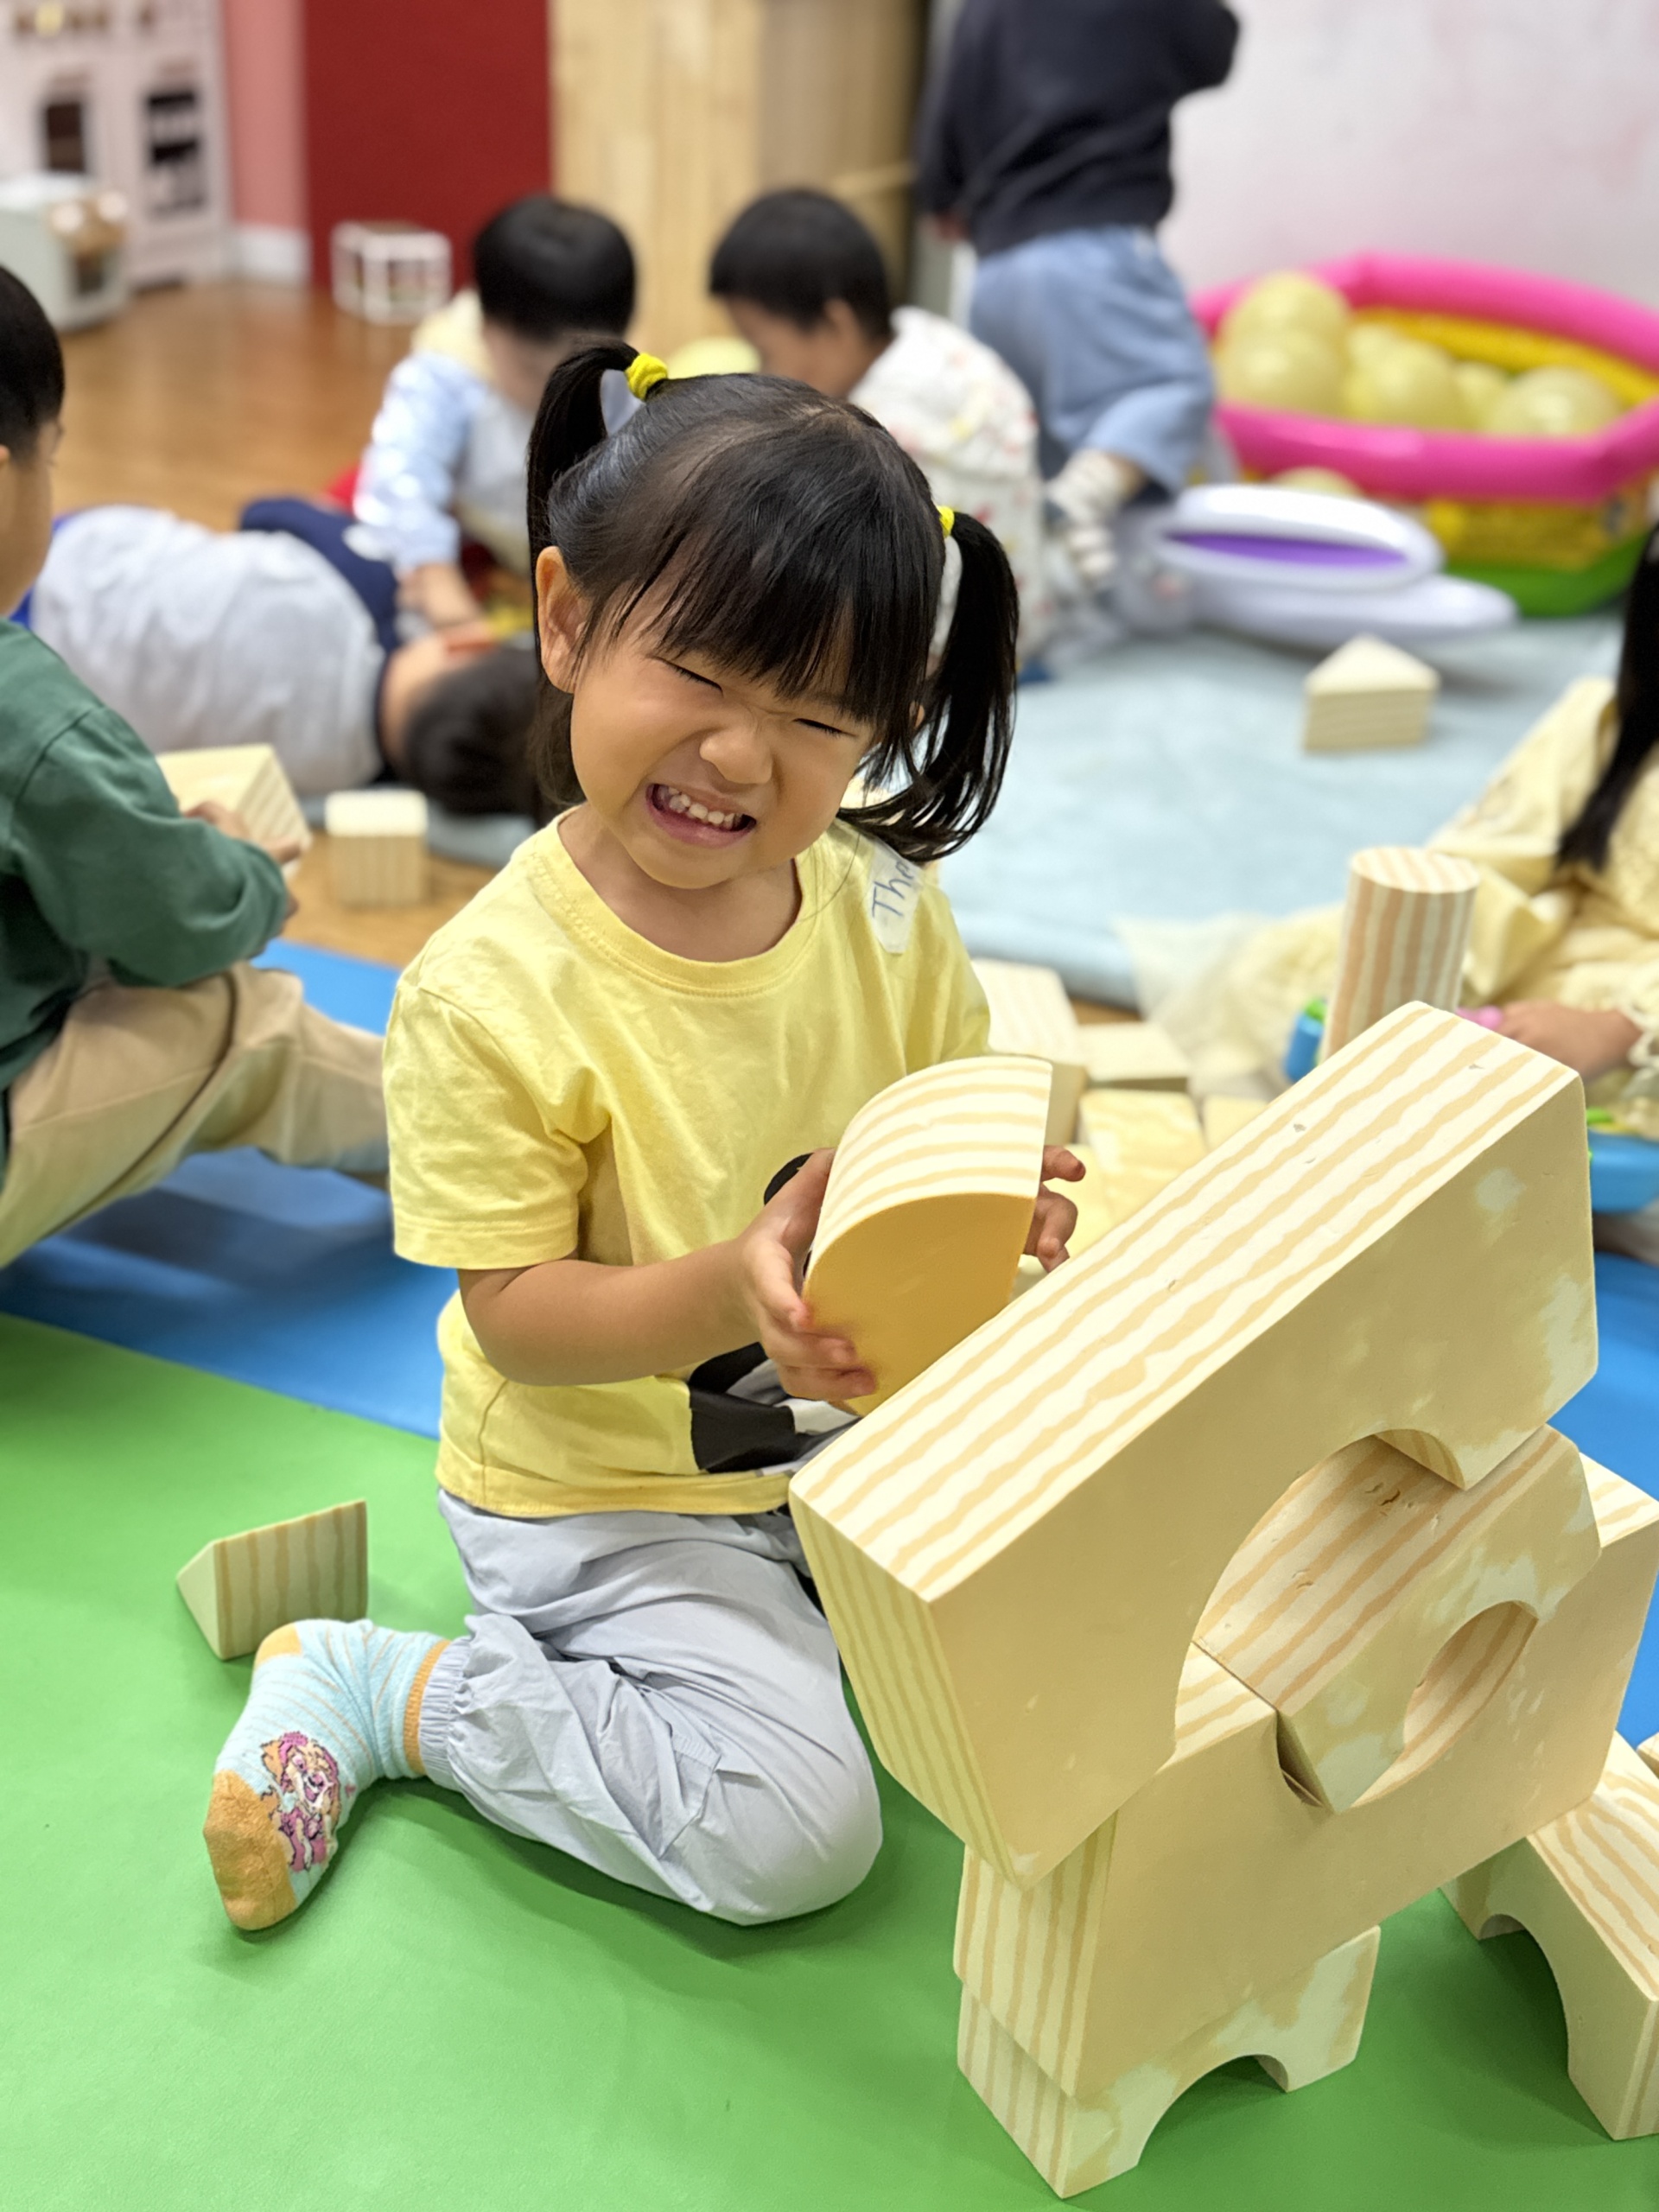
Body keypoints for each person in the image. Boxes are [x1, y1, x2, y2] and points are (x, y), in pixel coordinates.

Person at [201, 343, 1084, 1932]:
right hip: (604, 1495)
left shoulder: (888, 906)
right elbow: (517, 1322)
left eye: (815, 717)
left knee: (1100, 1606)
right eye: (697, 674)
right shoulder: (487, 990)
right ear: (565, 620)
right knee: (797, 1836)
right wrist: (735, 1288)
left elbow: (929, 1139)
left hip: (842, 1449)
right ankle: (401, 1694)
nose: (742, 756)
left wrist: (989, 1206)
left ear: (881, 729)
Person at [0, 270, 386, 1272]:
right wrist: (244, 869)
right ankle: (501, 1153)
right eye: (52, 457)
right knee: (242, 1021)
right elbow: (181, 923)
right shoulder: (23, 709)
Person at [1159, 529, 1659, 1170]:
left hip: (1635, 1017)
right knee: (1280, 979)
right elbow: (1499, 857)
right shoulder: (1608, 720)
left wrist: (1620, 1029)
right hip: (1546, 948)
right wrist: (1427, 967)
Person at [915, 0, 1239, 588]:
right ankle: (1086, 496)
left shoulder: (982, 9)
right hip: (1095, 248)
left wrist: (941, 193)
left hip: (997, 274)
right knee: (1169, 388)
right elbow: (1212, 47)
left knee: (1040, 460)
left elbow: (946, 113)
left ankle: (1051, 598)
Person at [22, 499, 543, 817]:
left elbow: (263, 512)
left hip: (71, 560)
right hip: (46, 685)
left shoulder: (367, 578)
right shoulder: (342, 780)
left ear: (467, 643)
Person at [710, 188, 1051, 649]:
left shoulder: (866, 435)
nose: (760, 370)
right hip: (1023, 623)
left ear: (837, 324)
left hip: (943, 660)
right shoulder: (938, 340)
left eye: (763, 349)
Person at [353, 195, 636, 631]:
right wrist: (436, 575)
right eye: (530, 370)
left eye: (580, 374)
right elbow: (402, 477)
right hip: (469, 534)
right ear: (485, 329)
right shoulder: (449, 370)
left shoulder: (621, 382)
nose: (556, 393)